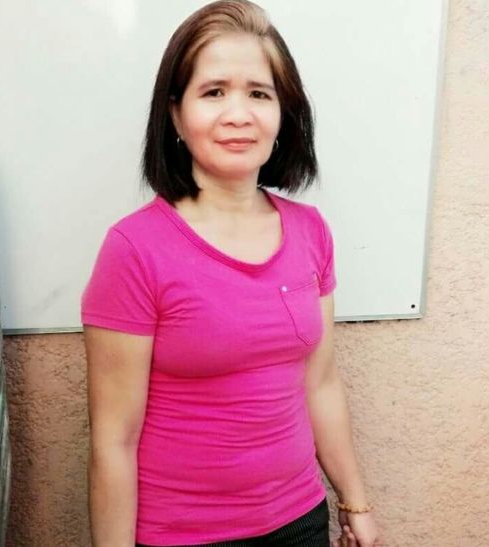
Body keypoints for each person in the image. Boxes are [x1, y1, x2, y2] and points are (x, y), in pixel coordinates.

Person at [81, 1, 380, 546]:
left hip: (300, 521)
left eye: (259, 94)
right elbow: (113, 442)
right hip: (182, 535)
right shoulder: (134, 249)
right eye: (214, 91)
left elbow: (321, 383)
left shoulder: (311, 232)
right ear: (176, 115)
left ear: (284, 113)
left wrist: (353, 501)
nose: (239, 114)